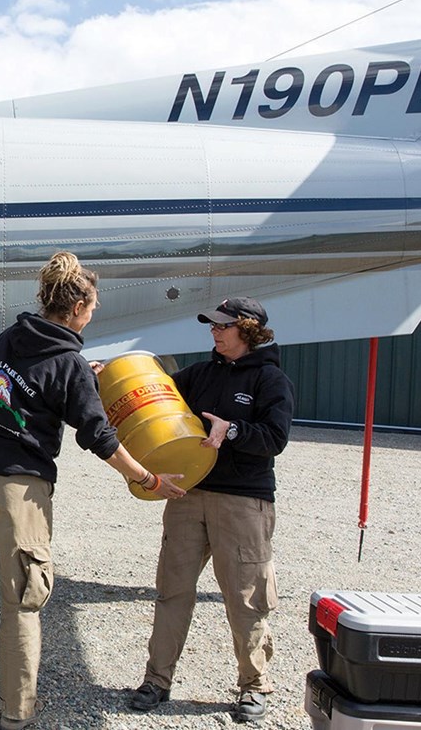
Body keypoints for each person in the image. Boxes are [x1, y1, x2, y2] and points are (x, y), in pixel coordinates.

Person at [0, 252, 185, 730]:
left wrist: (83, 374)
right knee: (22, 601)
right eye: (93, 303)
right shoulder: (68, 362)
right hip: (20, 489)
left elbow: (22, 384)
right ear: (76, 307)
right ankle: (16, 713)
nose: (96, 310)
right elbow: (97, 435)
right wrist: (145, 477)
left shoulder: (9, 339)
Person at [127, 296, 295, 723]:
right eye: (212, 325)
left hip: (243, 500)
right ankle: (156, 681)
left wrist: (232, 430)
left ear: (250, 329)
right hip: (189, 495)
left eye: (223, 325)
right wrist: (109, 381)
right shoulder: (198, 375)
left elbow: (275, 439)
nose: (214, 331)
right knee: (172, 591)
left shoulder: (270, 380)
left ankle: (254, 686)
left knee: (246, 599)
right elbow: (154, 398)